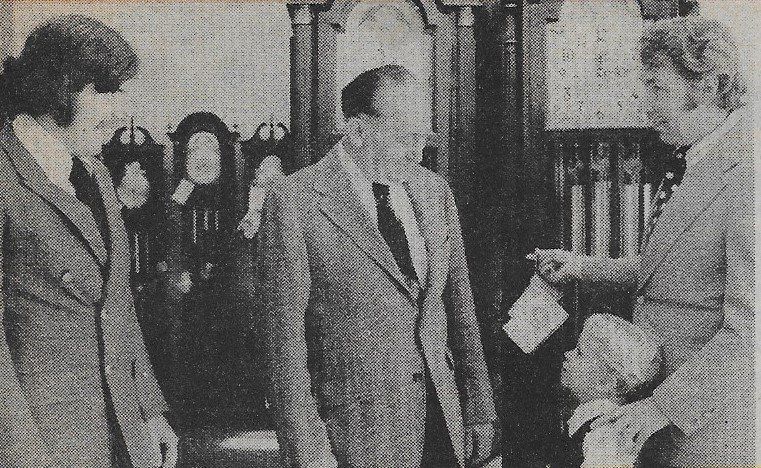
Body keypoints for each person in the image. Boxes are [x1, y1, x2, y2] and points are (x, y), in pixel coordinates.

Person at [536, 15, 753, 466]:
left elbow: (749, 331)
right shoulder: (692, 163)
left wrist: (658, 409)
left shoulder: (749, 174)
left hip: (701, 426)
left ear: (711, 85)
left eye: (657, 87)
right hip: (658, 418)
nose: (646, 105)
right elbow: (670, 272)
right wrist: (581, 266)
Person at [257, 64, 497, 468]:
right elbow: (284, 345)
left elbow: (460, 312)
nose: (417, 153)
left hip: (442, 426)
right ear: (356, 130)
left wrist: (478, 402)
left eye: (424, 139)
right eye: (404, 138)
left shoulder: (434, 191)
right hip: (354, 438)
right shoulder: (294, 201)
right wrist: (307, 449)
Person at [0, 15, 177, 467]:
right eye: (105, 93)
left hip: (120, 434)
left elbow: (117, 303)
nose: (118, 113)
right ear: (59, 88)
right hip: (41, 442)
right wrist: (21, 452)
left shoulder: (95, 174)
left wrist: (149, 411)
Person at [556, 314, 661, 467]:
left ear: (606, 382)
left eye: (579, 353)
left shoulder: (604, 433)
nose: (568, 354)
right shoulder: (588, 419)